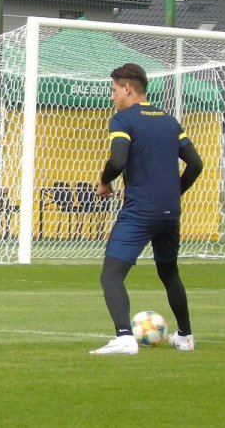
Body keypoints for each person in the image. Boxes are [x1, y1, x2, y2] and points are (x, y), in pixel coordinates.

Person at [89, 63, 203, 355]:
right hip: (170, 213)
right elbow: (196, 164)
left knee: (111, 275)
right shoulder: (169, 121)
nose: (113, 96)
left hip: (140, 210)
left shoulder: (123, 120)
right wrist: (174, 193)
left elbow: (117, 161)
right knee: (169, 272)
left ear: (127, 88)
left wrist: (104, 183)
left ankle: (125, 337)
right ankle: (186, 337)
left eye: (114, 90)